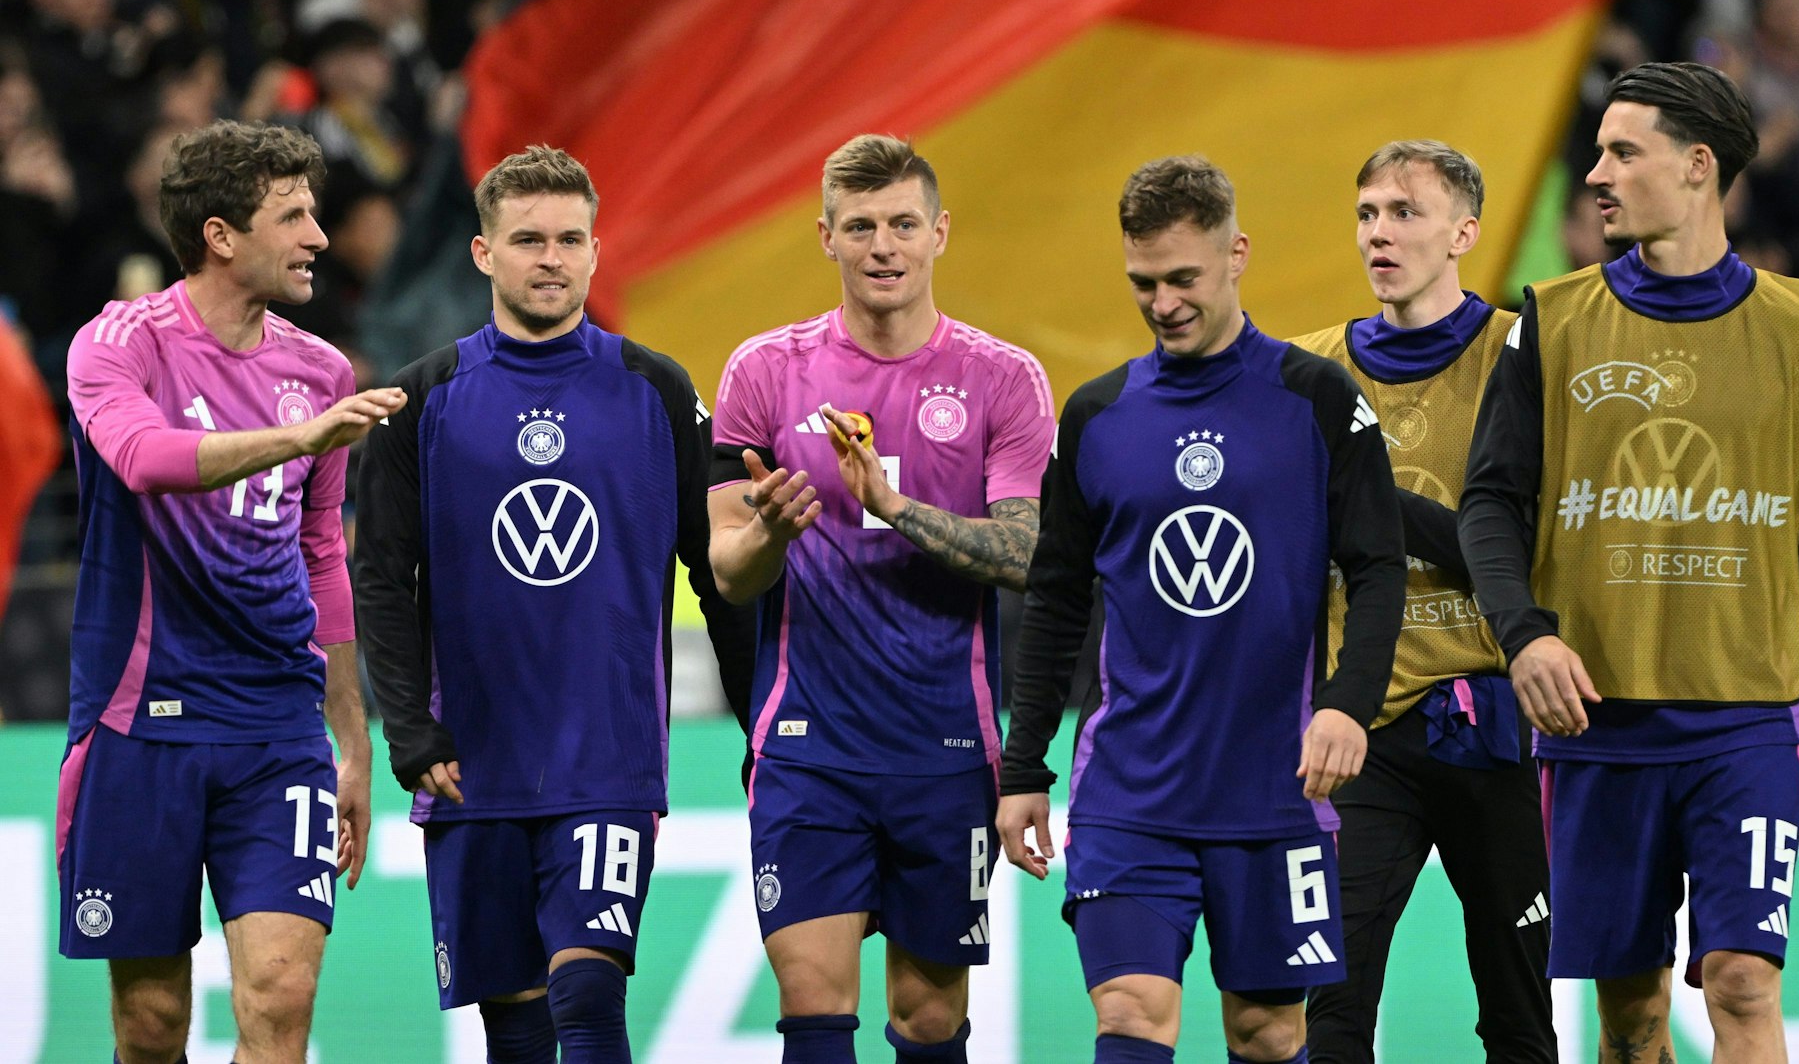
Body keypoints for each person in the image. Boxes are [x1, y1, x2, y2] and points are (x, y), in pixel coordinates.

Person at [1459, 61, 1799, 1064]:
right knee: (1632, 1015)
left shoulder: (1795, 329)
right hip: (1596, 726)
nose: (1594, 174)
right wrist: (1521, 636)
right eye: (1596, 152)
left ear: (1696, 167)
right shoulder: (1550, 322)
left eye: (1619, 152)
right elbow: (1486, 504)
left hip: (1743, 718)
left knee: (1738, 985)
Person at [997, 155, 1406, 1064]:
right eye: (1144, 282)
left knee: (1267, 1032)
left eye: (1184, 278)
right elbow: (1056, 598)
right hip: (1131, 792)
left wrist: (1346, 702)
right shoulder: (1097, 415)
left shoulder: (1315, 399)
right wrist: (1024, 764)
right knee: (1134, 1010)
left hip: (1274, 792)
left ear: (1237, 255)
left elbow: (1378, 567)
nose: (1163, 301)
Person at [353, 145, 754, 1063]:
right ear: (483, 253)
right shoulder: (421, 399)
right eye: (527, 238)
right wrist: (408, 729)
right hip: (473, 763)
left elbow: (716, 571)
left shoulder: (655, 388)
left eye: (569, 238)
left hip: (606, 753)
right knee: (520, 1028)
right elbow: (380, 577)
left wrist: (756, 722)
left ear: (595, 250)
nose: (551, 257)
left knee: (588, 992)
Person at [59, 119, 402, 1064]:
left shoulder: (319, 370)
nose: (318, 237)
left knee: (281, 998)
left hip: (275, 723)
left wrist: (351, 737)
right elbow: (141, 457)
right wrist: (298, 438)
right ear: (221, 235)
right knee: (152, 1025)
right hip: (143, 721)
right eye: (292, 215)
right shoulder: (119, 344)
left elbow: (323, 553)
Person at [706, 134, 1054, 1064]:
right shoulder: (765, 373)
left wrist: (894, 508)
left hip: (945, 745)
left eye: (903, 223)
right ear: (826, 238)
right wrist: (772, 532)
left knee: (929, 1018)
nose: (883, 245)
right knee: (815, 1003)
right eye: (859, 226)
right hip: (807, 746)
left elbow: (1027, 554)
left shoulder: (1003, 379)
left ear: (940, 233)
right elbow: (727, 570)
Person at [1292, 141, 1555, 1063]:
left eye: (1404, 212)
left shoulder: (1521, 357)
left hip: (1495, 726)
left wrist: (1362, 500)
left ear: (1465, 233)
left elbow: (1529, 553)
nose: (1379, 233)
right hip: (1359, 732)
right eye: (1367, 213)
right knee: (1326, 1013)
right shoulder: (1308, 371)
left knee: (1520, 1021)